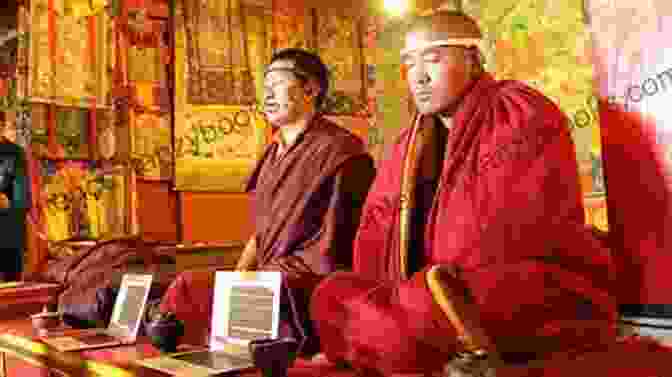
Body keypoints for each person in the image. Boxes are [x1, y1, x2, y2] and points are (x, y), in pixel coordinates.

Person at [309, 10, 618, 376]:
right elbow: (375, 229)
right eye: (409, 64)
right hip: (425, 291)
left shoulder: (518, 111)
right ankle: (413, 334)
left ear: (473, 59)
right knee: (330, 294)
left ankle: (392, 337)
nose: (418, 77)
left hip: (515, 279)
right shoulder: (408, 144)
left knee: (435, 305)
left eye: (434, 59)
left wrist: (438, 286)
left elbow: (507, 231)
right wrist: (390, 290)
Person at [236, 48, 376, 355]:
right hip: (269, 281)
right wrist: (237, 280)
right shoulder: (272, 153)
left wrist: (263, 280)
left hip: (307, 288)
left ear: (311, 89)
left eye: (277, 83)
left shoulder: (340, 151)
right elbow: (262, 232)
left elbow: (337, 244)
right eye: (265, 87)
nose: (267, 95)